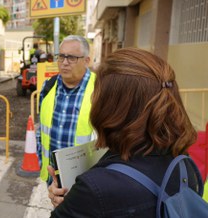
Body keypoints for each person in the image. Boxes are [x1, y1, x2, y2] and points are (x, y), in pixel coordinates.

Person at [48, 47, 199, 217]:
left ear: (112, 107)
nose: (92, 100)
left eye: (97, 93)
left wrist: (71, 203)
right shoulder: (183, 163)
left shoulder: (95, 188)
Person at [37, 35, 95, 185]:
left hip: (86, 183)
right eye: (61, 56)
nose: (64, 63)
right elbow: (41, 130)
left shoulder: (101, 90)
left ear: (87, 61)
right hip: (53, 179)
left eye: (71, 58)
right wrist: (41, 161)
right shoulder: (48, 87)